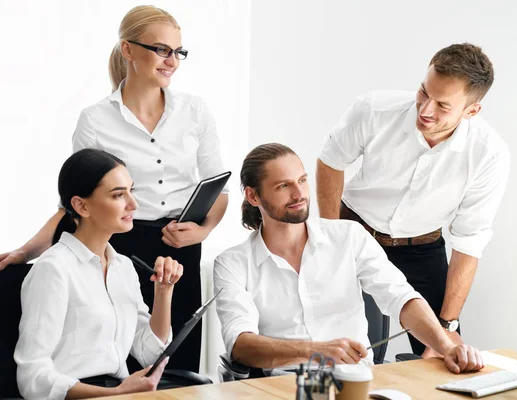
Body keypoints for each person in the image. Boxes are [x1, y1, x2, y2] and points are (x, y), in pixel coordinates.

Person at [1, 5, 228, 373]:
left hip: (183, 243)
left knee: (178, 358)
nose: (172, 61)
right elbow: (76, 202)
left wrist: (203, 230)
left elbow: (220, 187)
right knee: (121, 353)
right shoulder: (95, 119)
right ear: (128, 49)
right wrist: (28, 250)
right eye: (161, 49)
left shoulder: (195, 110)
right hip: (124, 244)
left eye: (178, 52)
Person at [213, 143, 485, 374]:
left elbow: (401, 298)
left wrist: (447, 347)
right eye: (284, 186)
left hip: (355, 384)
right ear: (253, 195)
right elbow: (240, 345)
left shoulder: (349, 236)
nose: (299, 194)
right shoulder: (233, 263)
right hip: (284, 388)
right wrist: (317, 352)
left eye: (302, 180)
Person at [316, 43, 510, 356]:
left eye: (443, 106)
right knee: (350, 353)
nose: (425, 110)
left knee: (444, 354)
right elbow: (331, 161)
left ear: (471, 111)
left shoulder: (490, 154)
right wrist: (331, 235)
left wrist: (447, 325)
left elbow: (468, 243)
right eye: (423, 92)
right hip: (356, 231)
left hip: (422, 247)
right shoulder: (374, 110)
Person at [14, 149, 186, 399]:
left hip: (118, 392)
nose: (133, 204)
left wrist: (164, 291)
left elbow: (148, 352)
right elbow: (32, 377)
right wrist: (111, 394)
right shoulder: (54, 269)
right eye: (118, 195)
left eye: (131, 190)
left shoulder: (123, 267)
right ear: (81, 205)